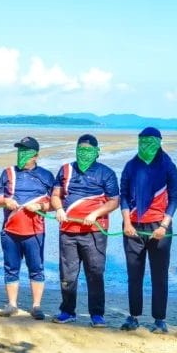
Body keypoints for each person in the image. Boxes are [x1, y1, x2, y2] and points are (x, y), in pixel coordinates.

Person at [50, 133, 120, 327]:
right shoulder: (66, 170)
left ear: (97, 152)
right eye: (81, 149)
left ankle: (97, 315)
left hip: (94, 232)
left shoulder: (106, 173)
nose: (84, 153)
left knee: (95, 273)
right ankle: (67, 311)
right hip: (68, 231)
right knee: (68, 274)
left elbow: (114, 201)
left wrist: (96, 214)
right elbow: (55, 195)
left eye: (88, 150)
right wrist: (59, 209)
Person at [118, 127, 177, 333]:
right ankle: (134, 316)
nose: (145, 144)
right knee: (134, 274)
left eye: (150, 141)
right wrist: (127, 222)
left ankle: (159, 319)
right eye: (142, 141)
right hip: (133, 227)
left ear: (159, 142)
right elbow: (124, 196)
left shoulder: (168, 166)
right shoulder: (130, 166)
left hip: (160, 227)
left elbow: (174, 198)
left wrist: (164, 225)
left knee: (159, 275)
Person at [0, 136, 55, 319]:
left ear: (35, 155)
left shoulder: (46, 176)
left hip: (34, 231)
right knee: (11, 267)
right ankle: (12, 304)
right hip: (10, 230)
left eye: (25, 152)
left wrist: (41, 206)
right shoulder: (8, 173)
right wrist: (6, 201)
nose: (21, 155)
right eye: (19, 151)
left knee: (36, 267)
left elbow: (56, 202)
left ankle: (36, 306)